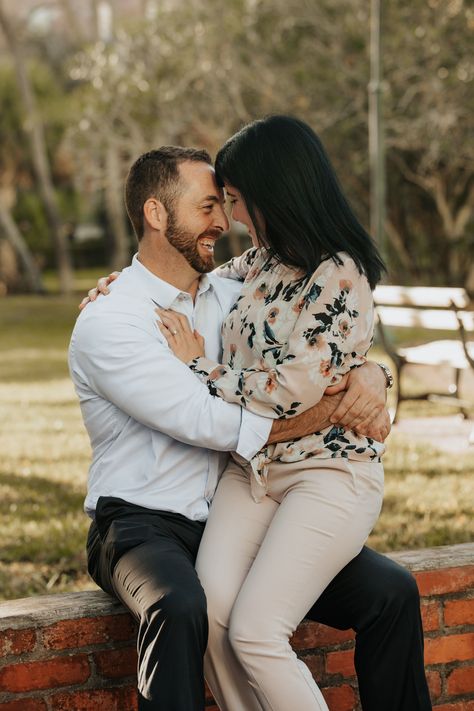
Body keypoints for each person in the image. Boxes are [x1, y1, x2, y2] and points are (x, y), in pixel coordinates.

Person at [72, 144, 430, 710]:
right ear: (156, 214)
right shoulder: (112, 318)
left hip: (243, 504)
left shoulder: (236, 291)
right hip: (144, 521)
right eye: (208, 205)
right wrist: (324, 414)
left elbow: (324, 333)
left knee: (392, 591)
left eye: (227, 204)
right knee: (183, 607)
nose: (223, 221)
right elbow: (201, 419)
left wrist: (370, 373)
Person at [152, 116, 389, 710]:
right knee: (213, 617)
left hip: (328, 474)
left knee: (257, 632)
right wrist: (123, 287)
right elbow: (189, 285)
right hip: (253, 470)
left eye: (234, 200)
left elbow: (291, 388)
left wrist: (202, 367)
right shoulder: (258, 263)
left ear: (274, 191)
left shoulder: (339, 273)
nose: (229, 217)